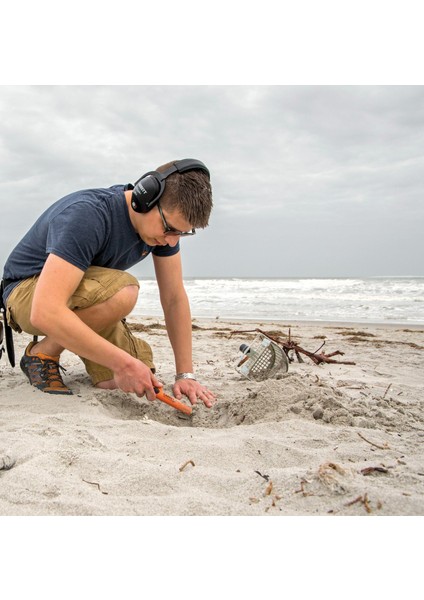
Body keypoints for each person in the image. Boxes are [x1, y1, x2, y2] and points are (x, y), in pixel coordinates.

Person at [1, 158, 216, 409]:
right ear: (145, 198)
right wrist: (122, 364)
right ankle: (42, 353)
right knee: (125, 291)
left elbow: (174, 298)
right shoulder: (88, 215)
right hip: (26, 292)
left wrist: (185, 375)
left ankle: (72, 353)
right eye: (169, 228)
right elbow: (44, 311)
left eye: (181, 233)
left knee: (136, 379)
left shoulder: (163, 231)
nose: (171, 241)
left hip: (84, 293)